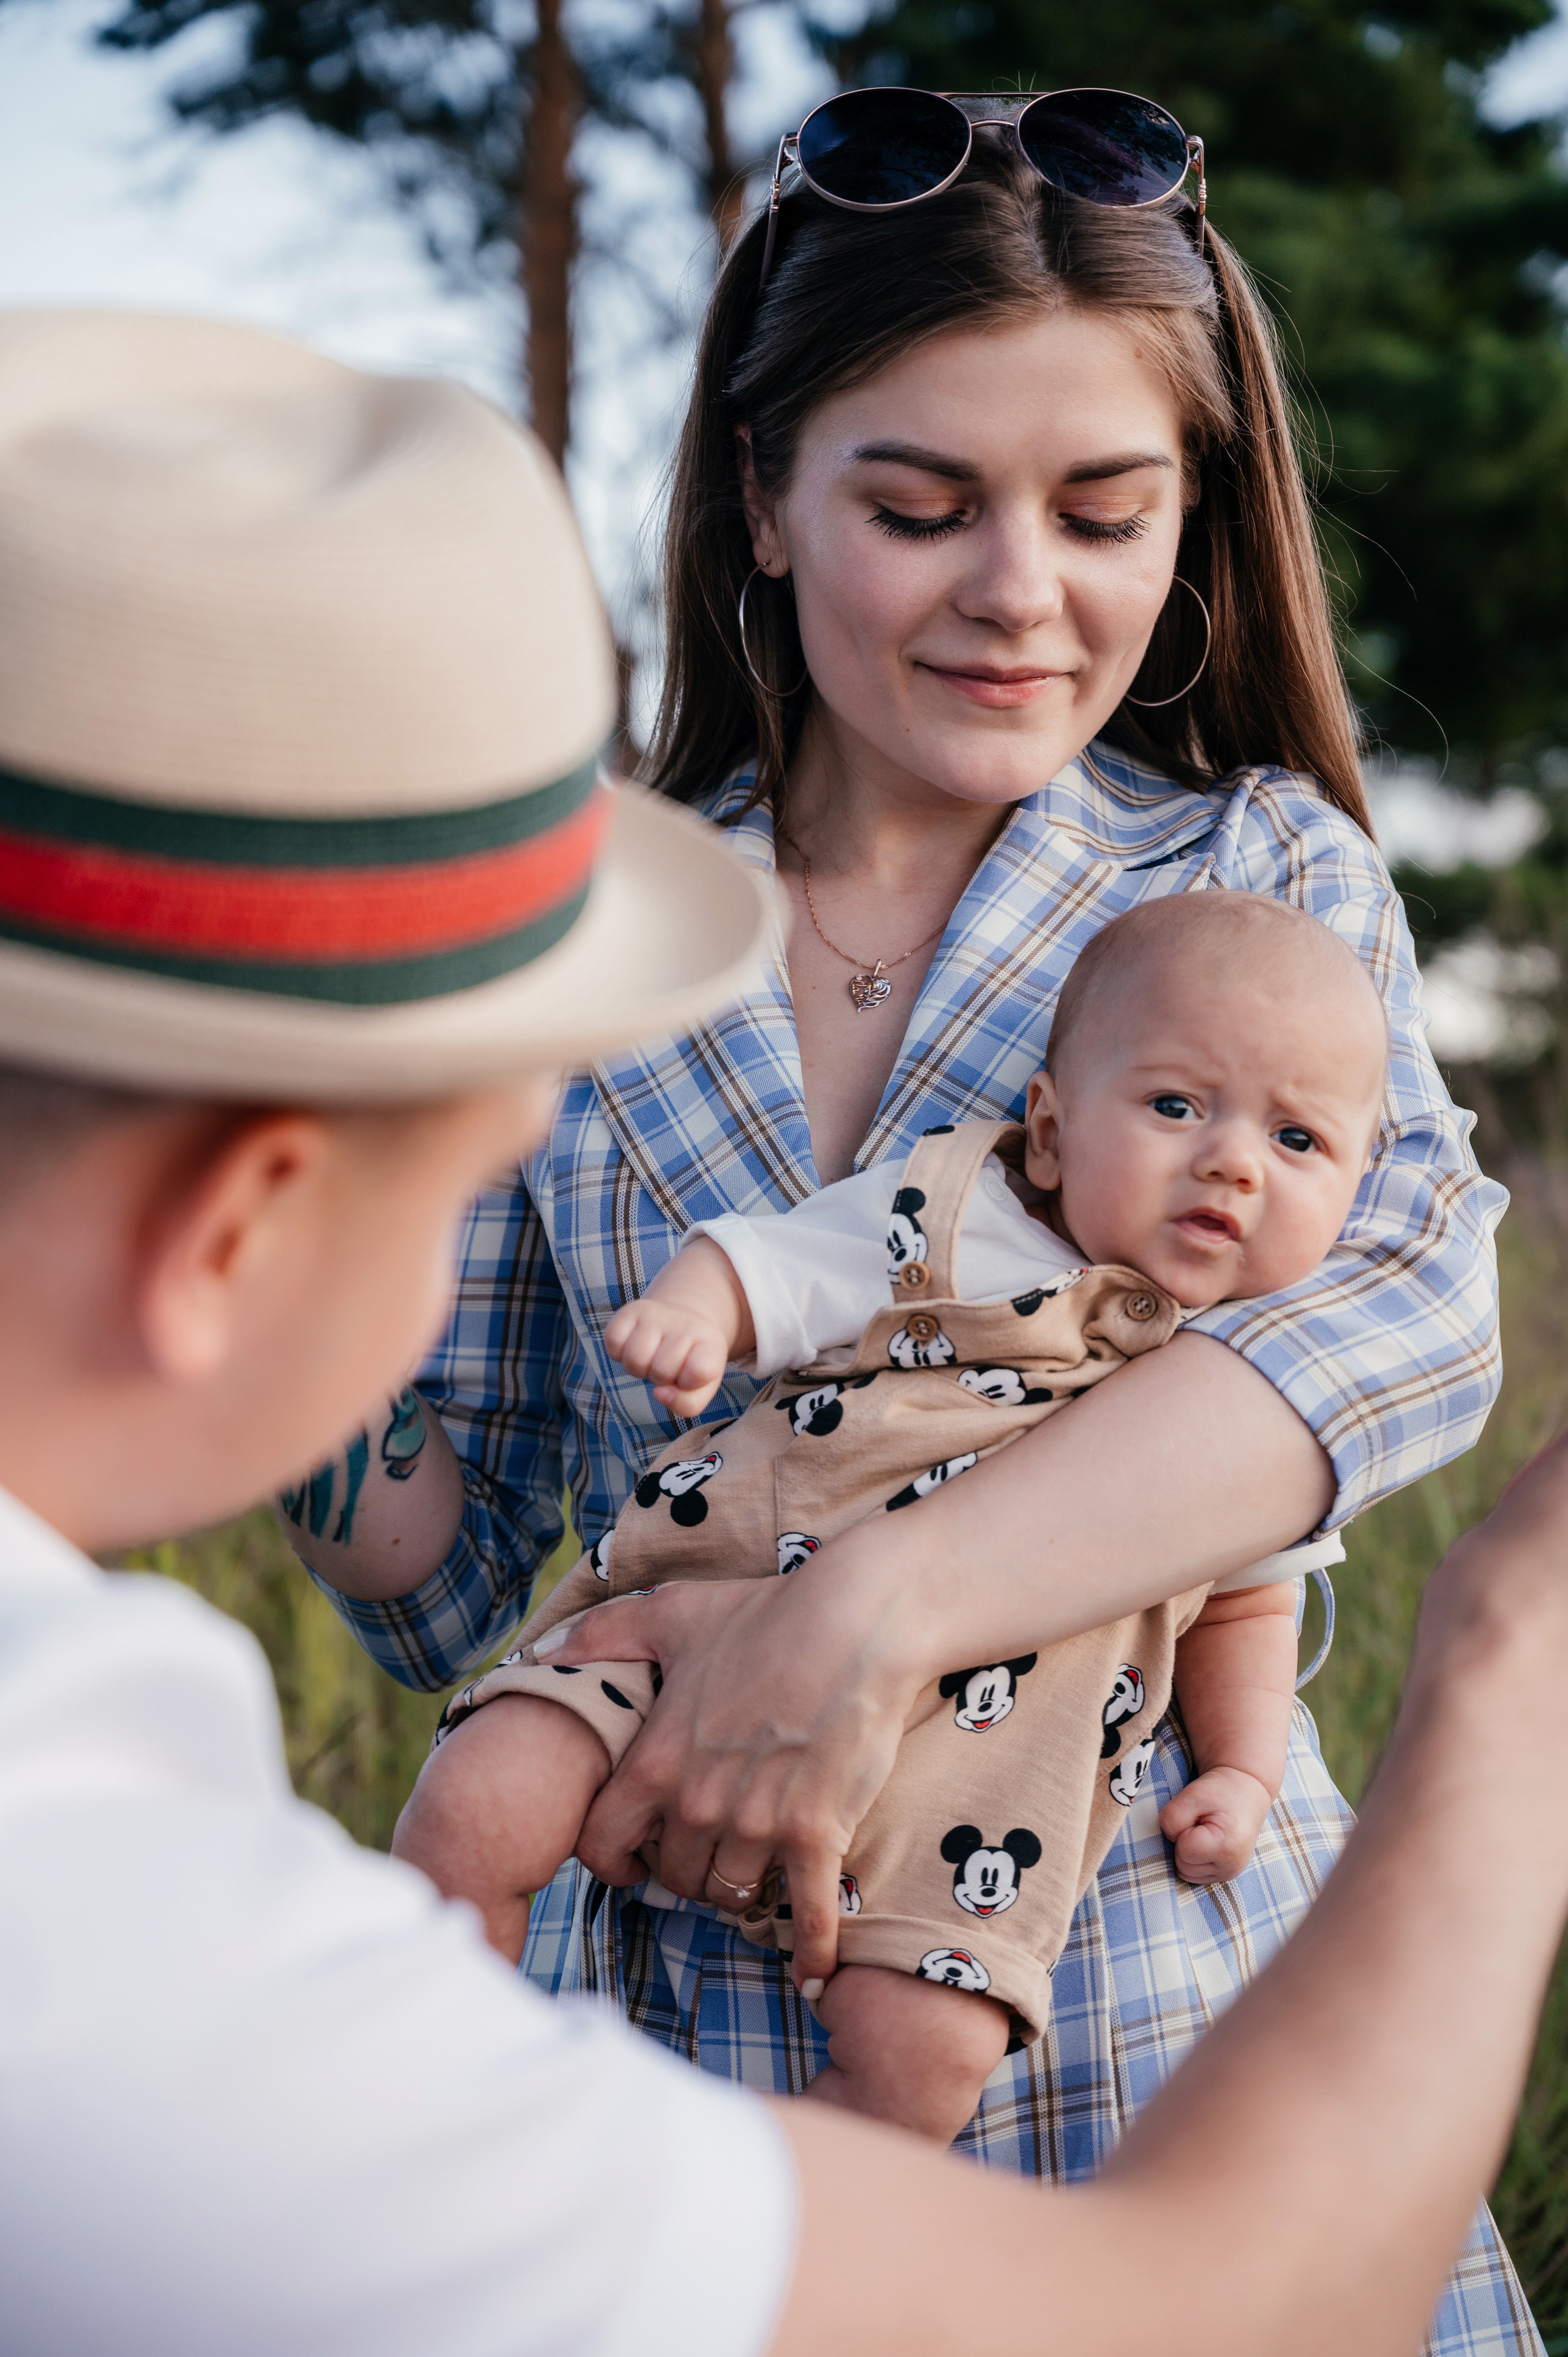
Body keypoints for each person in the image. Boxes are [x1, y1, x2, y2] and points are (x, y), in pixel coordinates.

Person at [0, 303, 1560, 2357]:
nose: (1018, 587)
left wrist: (862, 1610)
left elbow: (1394, 1317)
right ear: (760, 498)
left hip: (1123, 1938)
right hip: (672, 1977)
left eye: (1108, 510)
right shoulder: (575, 922)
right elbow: (448, 1565)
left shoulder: (1248, 871)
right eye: (917, 507)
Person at [394, 890, 1386, 2148]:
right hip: (707, 1618)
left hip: (981, 1790)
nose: (1232, 1162)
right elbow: (786, 1261)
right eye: (1176, 1106)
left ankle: (805, 2226)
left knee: (926, 2056)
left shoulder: (1245, 1377)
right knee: (477, 1800)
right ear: (1047, 1128)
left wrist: (1241, 1771)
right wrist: (701, 1312)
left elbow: (1248, 1597)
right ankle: (447, 2087)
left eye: (1297, 1141)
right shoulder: (961, 1216)